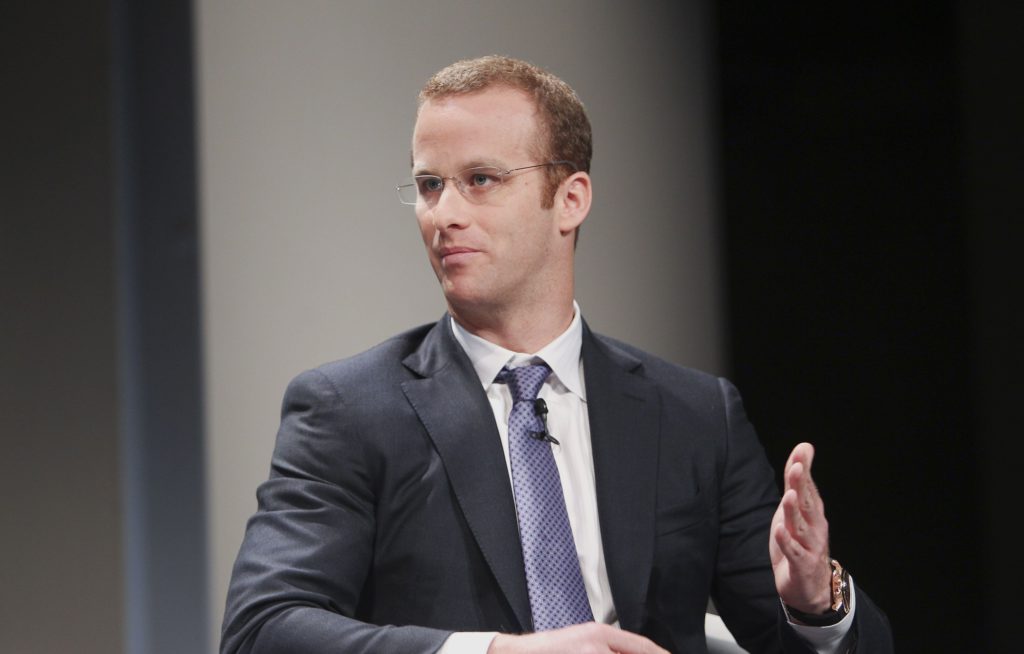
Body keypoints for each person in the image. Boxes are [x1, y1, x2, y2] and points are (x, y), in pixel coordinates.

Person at [221, 55, 893, 654]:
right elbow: (263, 630)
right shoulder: (349, 411)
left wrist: (817, 603)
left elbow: (804, 641)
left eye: (480, 179)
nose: (443, 214)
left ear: (570, 200)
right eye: (429, 186)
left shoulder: (694, 416)